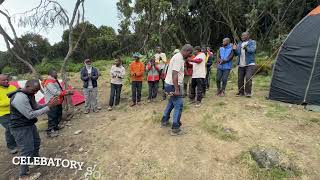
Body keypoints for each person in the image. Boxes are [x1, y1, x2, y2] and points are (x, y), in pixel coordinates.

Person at [8, 79, 59, 180]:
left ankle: (34, 161)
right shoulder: (19, 98)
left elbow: (36, 107)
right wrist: (48, 108)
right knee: (27, 150)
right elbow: (30, 114)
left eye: (37, 91)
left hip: (28, 124)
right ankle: (23, 175)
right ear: (27, 86)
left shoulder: (29, 94)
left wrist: (48, 104)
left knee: (36, 142)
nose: (35, 92)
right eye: (34, 90)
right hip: (20, 127)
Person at [161, 44, 193, 136]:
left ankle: (164, 120)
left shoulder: (177, 56)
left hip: (169, 84)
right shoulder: (179, 58)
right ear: (186, 51)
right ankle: (175, 128)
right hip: (173, 85)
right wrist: (177, 89)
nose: (190, 56)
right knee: (179, 105)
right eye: (190, 54)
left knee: (171, 103)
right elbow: (174, 74)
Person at [42, 69, 73, 137]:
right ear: (51, 74)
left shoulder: (54, 80)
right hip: (52, 102)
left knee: (58, 115)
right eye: (55, 73)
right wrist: (67, 92)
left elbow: (59, 90)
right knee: (52, 117)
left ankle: (55, 127)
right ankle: (50, 131)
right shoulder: (49, 82)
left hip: (57, 101)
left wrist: (65, 91)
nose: (56, 74)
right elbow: (56, 92)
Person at [233, 32, 257, 97]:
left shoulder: (252, 42)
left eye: (244, 35)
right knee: (240, 79)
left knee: (248, 78)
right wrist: (234, 49)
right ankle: (241, 92)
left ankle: (248, 93)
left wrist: (246, 48)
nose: (242, 37)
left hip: (250, 64)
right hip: (241, 64)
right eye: (242, 36)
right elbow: (237, 54)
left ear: (248, 36)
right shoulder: (240, 43)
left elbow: (252, 50)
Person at [0, 74, 18, 154]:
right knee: (9, 128)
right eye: (3, 80)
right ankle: (11, 146)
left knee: (16, 127)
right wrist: (9, 101)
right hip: (3, 114)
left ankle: (17, 142)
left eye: (7, 79)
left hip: (14, 111)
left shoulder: (13, 88)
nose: (6, 81)